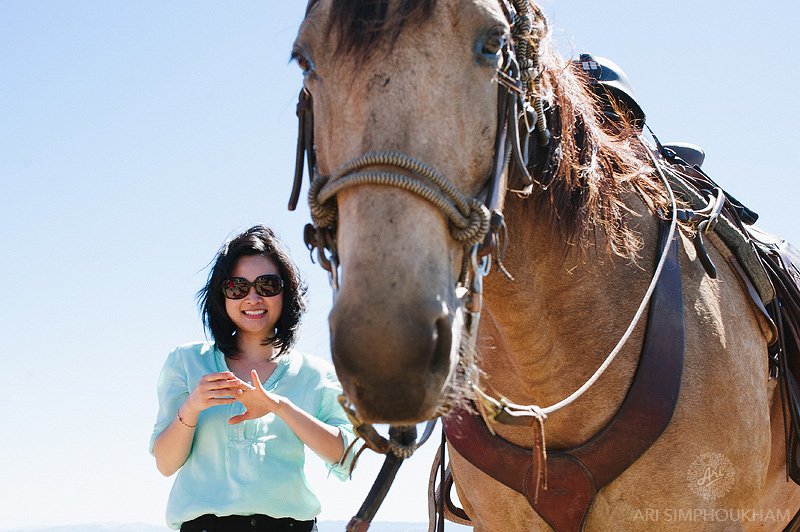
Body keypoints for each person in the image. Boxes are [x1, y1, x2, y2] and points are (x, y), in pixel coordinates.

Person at [150, 225, 360, 532]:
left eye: (267, 285)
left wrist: (281, 407)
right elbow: (166, 465)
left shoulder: (315, 373)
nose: (252, 298)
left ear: (285, 292)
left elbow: (347, 459)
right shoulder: (186, 361)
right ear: (221, 295)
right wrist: (192, 407)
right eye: (237, 287)